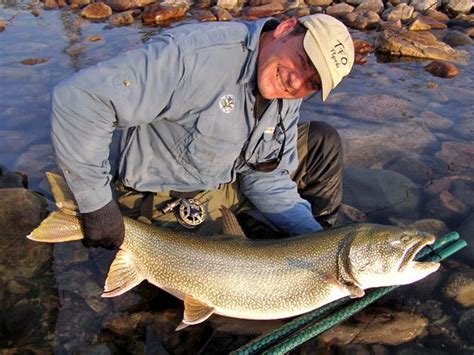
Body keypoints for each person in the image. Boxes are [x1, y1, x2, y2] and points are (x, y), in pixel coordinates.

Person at [50, 14, 354, 250]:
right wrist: (97, 206)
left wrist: (317, 243)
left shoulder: (288, 93)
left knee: (321, 142)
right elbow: (80, 99)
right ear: (285, 29)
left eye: (312, 83)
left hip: (226, 180)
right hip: (165, 200)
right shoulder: (193, 57)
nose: (296, 82)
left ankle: (326, 245)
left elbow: (265, 176)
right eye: (302, 61)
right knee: (237, 309)